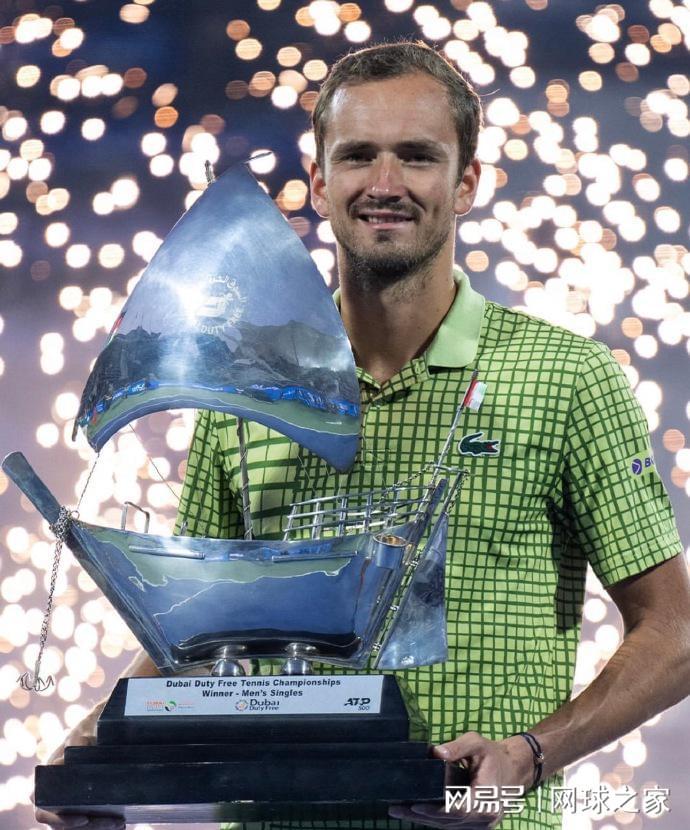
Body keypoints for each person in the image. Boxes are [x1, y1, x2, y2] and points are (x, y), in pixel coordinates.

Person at [38, 41, 689, 830]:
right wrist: (92, 749)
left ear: (467, 183)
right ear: (319, 183)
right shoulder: (243, 392)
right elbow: (198, 638)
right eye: (357, 157)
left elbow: (676, 632)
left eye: (417, 156)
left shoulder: (567, 378)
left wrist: (529, 754)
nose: (385, 184)